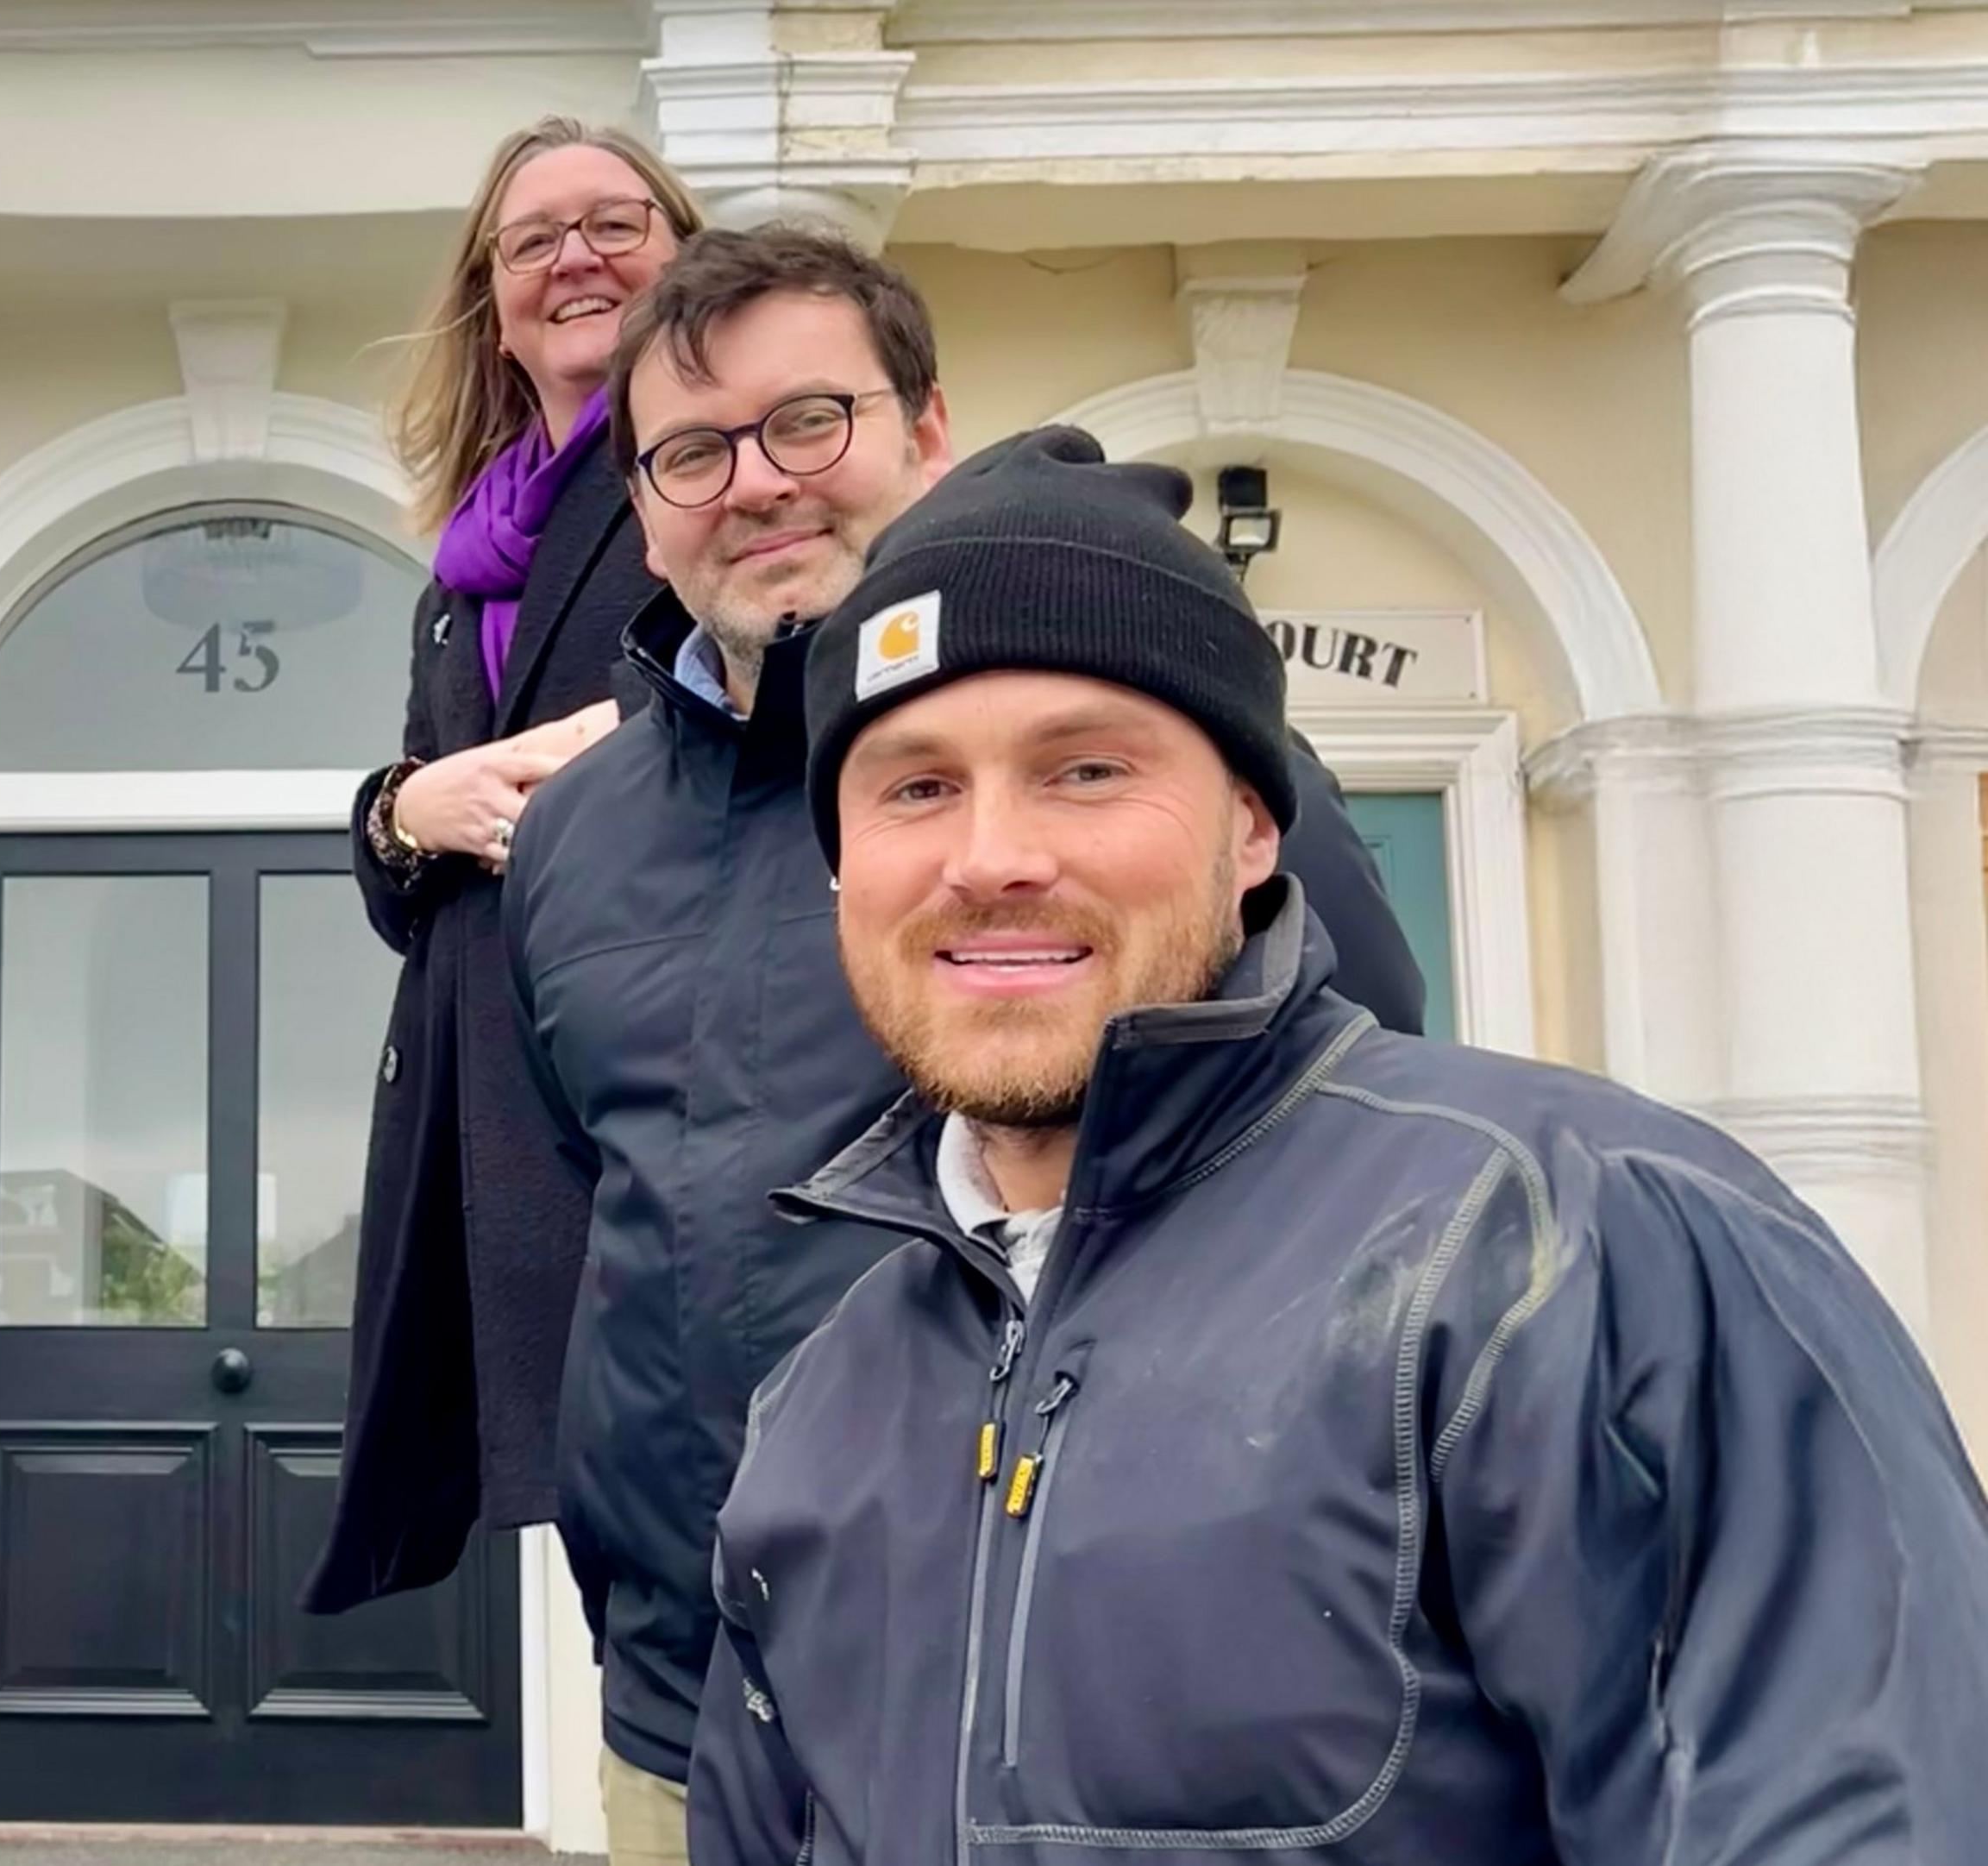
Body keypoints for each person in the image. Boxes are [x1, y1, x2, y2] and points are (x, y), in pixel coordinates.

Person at [687, 425, 1988, 1863]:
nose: (990, 857)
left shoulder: (1579, 1244)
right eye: (916, 787)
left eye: (1088, 771)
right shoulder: (823, 1399)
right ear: (841, 864)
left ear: (1252, 832)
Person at [500, 228, 1428, 1865]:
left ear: (926, 434)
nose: (758, 485)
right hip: (680, 1702)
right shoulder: (572, 837)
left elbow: (1342, 1151)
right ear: (642, 507)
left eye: (811, 422)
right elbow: (613, 1206)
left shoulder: (1130, 766)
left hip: (1066, 1698)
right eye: (694, 452)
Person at [307, 116, 708, 1628]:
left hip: (647, 1093)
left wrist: (582, 754)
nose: (576, 261)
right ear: (494, 293)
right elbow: (406, 868)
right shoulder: (461, 562)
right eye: (534, 240)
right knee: (624, 1586)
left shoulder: (704, 486)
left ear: (685, 255)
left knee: (703, 1573)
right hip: (496, 1122)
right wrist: (409, 809)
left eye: (616, 224)